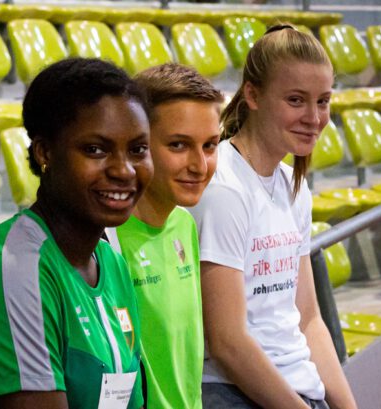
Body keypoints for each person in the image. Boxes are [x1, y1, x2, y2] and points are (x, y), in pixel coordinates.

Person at [0, 58, 153, 409]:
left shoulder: (112, 263)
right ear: (45, 152)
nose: (124, 170)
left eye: (138, 150)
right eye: (95, 149)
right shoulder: (8, 269)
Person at [188, 25, 357, 408]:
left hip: (296, 388)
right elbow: (228, 343)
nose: (314, 117)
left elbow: (309, 319)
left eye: (323, 101)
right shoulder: (224, 189)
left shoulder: (292, 185)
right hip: (230, 392)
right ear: (252, 95)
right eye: (296, 100)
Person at [106, 63, 223, 409]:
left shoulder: (184, 224)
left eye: (210, 145)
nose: (199, 165)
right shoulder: (104, 242)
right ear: (138, 145)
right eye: (178, 145)